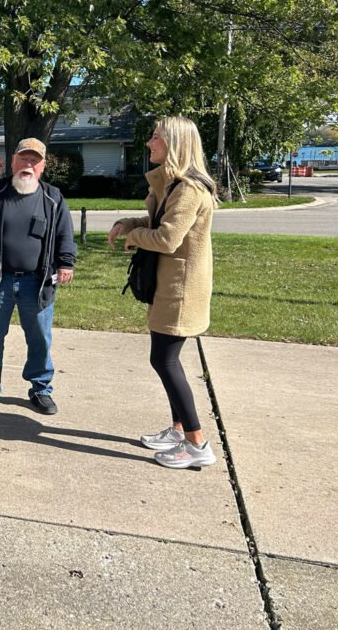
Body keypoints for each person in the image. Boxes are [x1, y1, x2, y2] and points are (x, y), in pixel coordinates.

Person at [107, 115, 218, 469]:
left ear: (174, 143)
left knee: (164, 360)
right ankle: (178, 430)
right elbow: (158, 222)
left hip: (180, 289)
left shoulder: (188, 188)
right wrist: (130, 223)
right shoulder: (172, 185)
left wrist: (131, 238)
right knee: (167, 360)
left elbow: (167, 239)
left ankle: (197, 444)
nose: (149, 143)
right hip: (170, 285)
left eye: (155, 138)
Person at [0, 138, 77, 415]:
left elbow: (64, 235)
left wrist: (66, 263)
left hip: (38, 282)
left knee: (39, 338)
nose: (28, 165)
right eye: (23, 159)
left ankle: (41, 390)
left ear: (43, 166)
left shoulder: (53, 198)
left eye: (34, 160)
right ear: (13, 162)